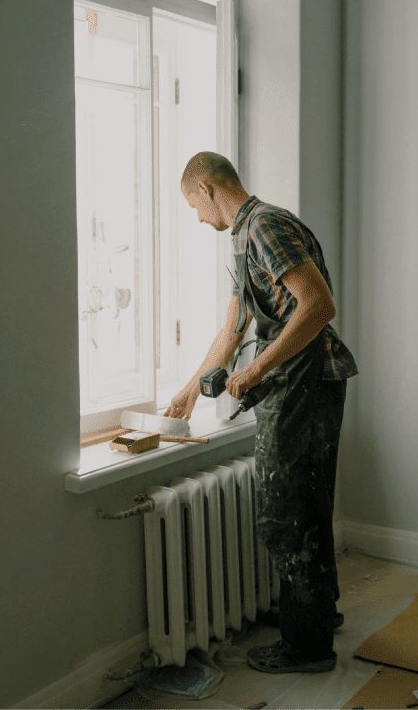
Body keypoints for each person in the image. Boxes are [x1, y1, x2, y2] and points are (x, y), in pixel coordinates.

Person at [165, 151, 358, 674]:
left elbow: (317, 306)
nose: (198, 219)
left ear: (206, 189)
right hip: (303, 383)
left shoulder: (267, 226)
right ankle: (316, 616)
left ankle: (307, 647)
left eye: (193, 206)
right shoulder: (245, 234)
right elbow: (234, 326)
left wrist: (251, 374)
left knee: (284, 512)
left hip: (307, 383)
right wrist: (188, 389)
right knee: (307, 503)